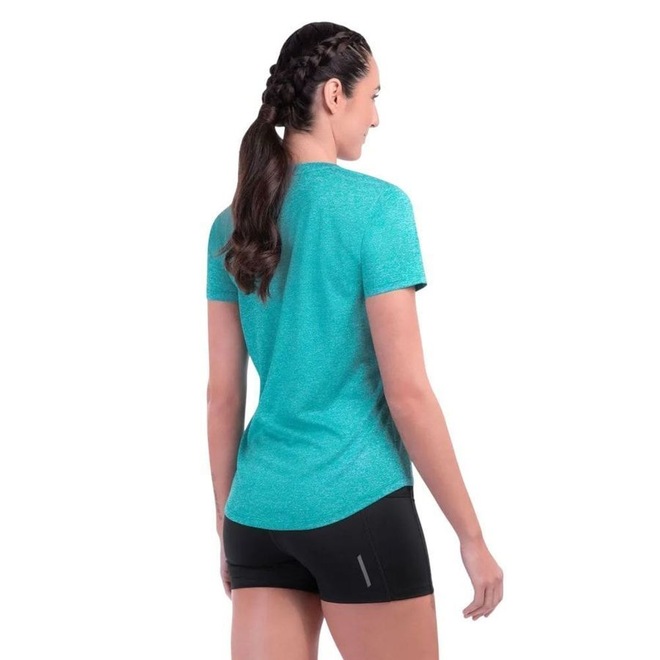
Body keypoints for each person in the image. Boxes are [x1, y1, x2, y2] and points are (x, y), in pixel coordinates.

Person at [206, 21, 503, 660]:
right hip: (356, 502)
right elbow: (408, 394)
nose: (375, 118)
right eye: (372, 97)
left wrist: (227, 524)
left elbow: (222, 396)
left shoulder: (231, 225)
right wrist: (471, 536)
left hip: (257, 514)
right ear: (334, 95)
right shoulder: (378, 210)